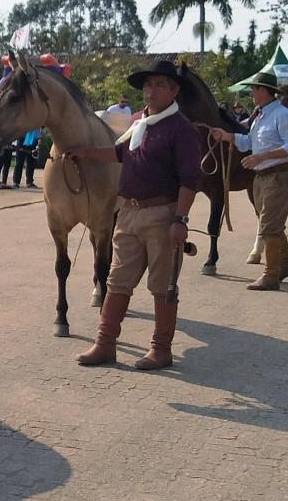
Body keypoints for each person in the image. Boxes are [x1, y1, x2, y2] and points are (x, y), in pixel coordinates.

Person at [67, 60, 202, 369]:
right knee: (117, 281)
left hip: (162, 214)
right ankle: (105, 344)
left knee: (162, 285)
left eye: (159, 85)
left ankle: (161, 349)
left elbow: (190, 180)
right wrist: (85, 152)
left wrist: (180, 219)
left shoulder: (181, 129)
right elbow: (118, 153)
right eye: (148, 85)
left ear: (174, 91)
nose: (151, 91)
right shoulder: (140, 123)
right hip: (128, 212)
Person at [212, 72, 288, 290]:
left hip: (277, 176)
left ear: (264, 90)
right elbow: (249, 142)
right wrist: (227, 136)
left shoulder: (282, 115)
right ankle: (286, 264)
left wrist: (262, 157)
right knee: (270, 223)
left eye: (254, 89)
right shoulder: (259, 116)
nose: (251, 93)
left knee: (269, 225)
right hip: (261, 177)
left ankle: (271, 275)